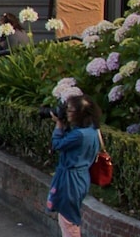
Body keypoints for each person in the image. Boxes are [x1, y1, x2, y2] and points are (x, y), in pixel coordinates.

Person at [48, 94, 102, 237]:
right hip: (80, 177)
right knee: (68, 217)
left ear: (80, 114)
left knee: (68, 219)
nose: (67, 113)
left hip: (70, 180)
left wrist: (59, 125)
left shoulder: (80, 135)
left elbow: (57, 144)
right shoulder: (91, 130)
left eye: (70, 110)